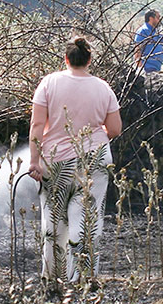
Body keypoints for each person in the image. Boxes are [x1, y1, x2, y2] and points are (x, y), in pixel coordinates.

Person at [29, 36, 122, 288]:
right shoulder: (103, 88)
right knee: (87, 218)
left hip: (55, 162)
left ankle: (53, 278)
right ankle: (82, 278)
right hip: (94, 160)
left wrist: (34, 161)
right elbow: (114, 129)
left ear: (66, 59)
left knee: (54, 220)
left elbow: (37, 124)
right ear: (89, 60)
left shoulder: (49, 83)